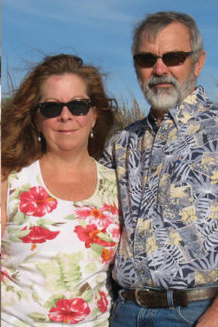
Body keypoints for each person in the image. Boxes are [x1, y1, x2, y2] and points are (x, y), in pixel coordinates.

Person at [101, 11, 218, 326]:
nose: (160, 68)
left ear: (198, 62)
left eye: (174, 57)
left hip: (197, 313)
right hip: (124, 311)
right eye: (146, 58)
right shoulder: (119, 144)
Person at [0, 54, 118, 326]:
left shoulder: (119, 187)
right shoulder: (10, 182)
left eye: (78, 105)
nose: (66, 116)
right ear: (36, 120)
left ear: (94, 114)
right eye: (52, 108)